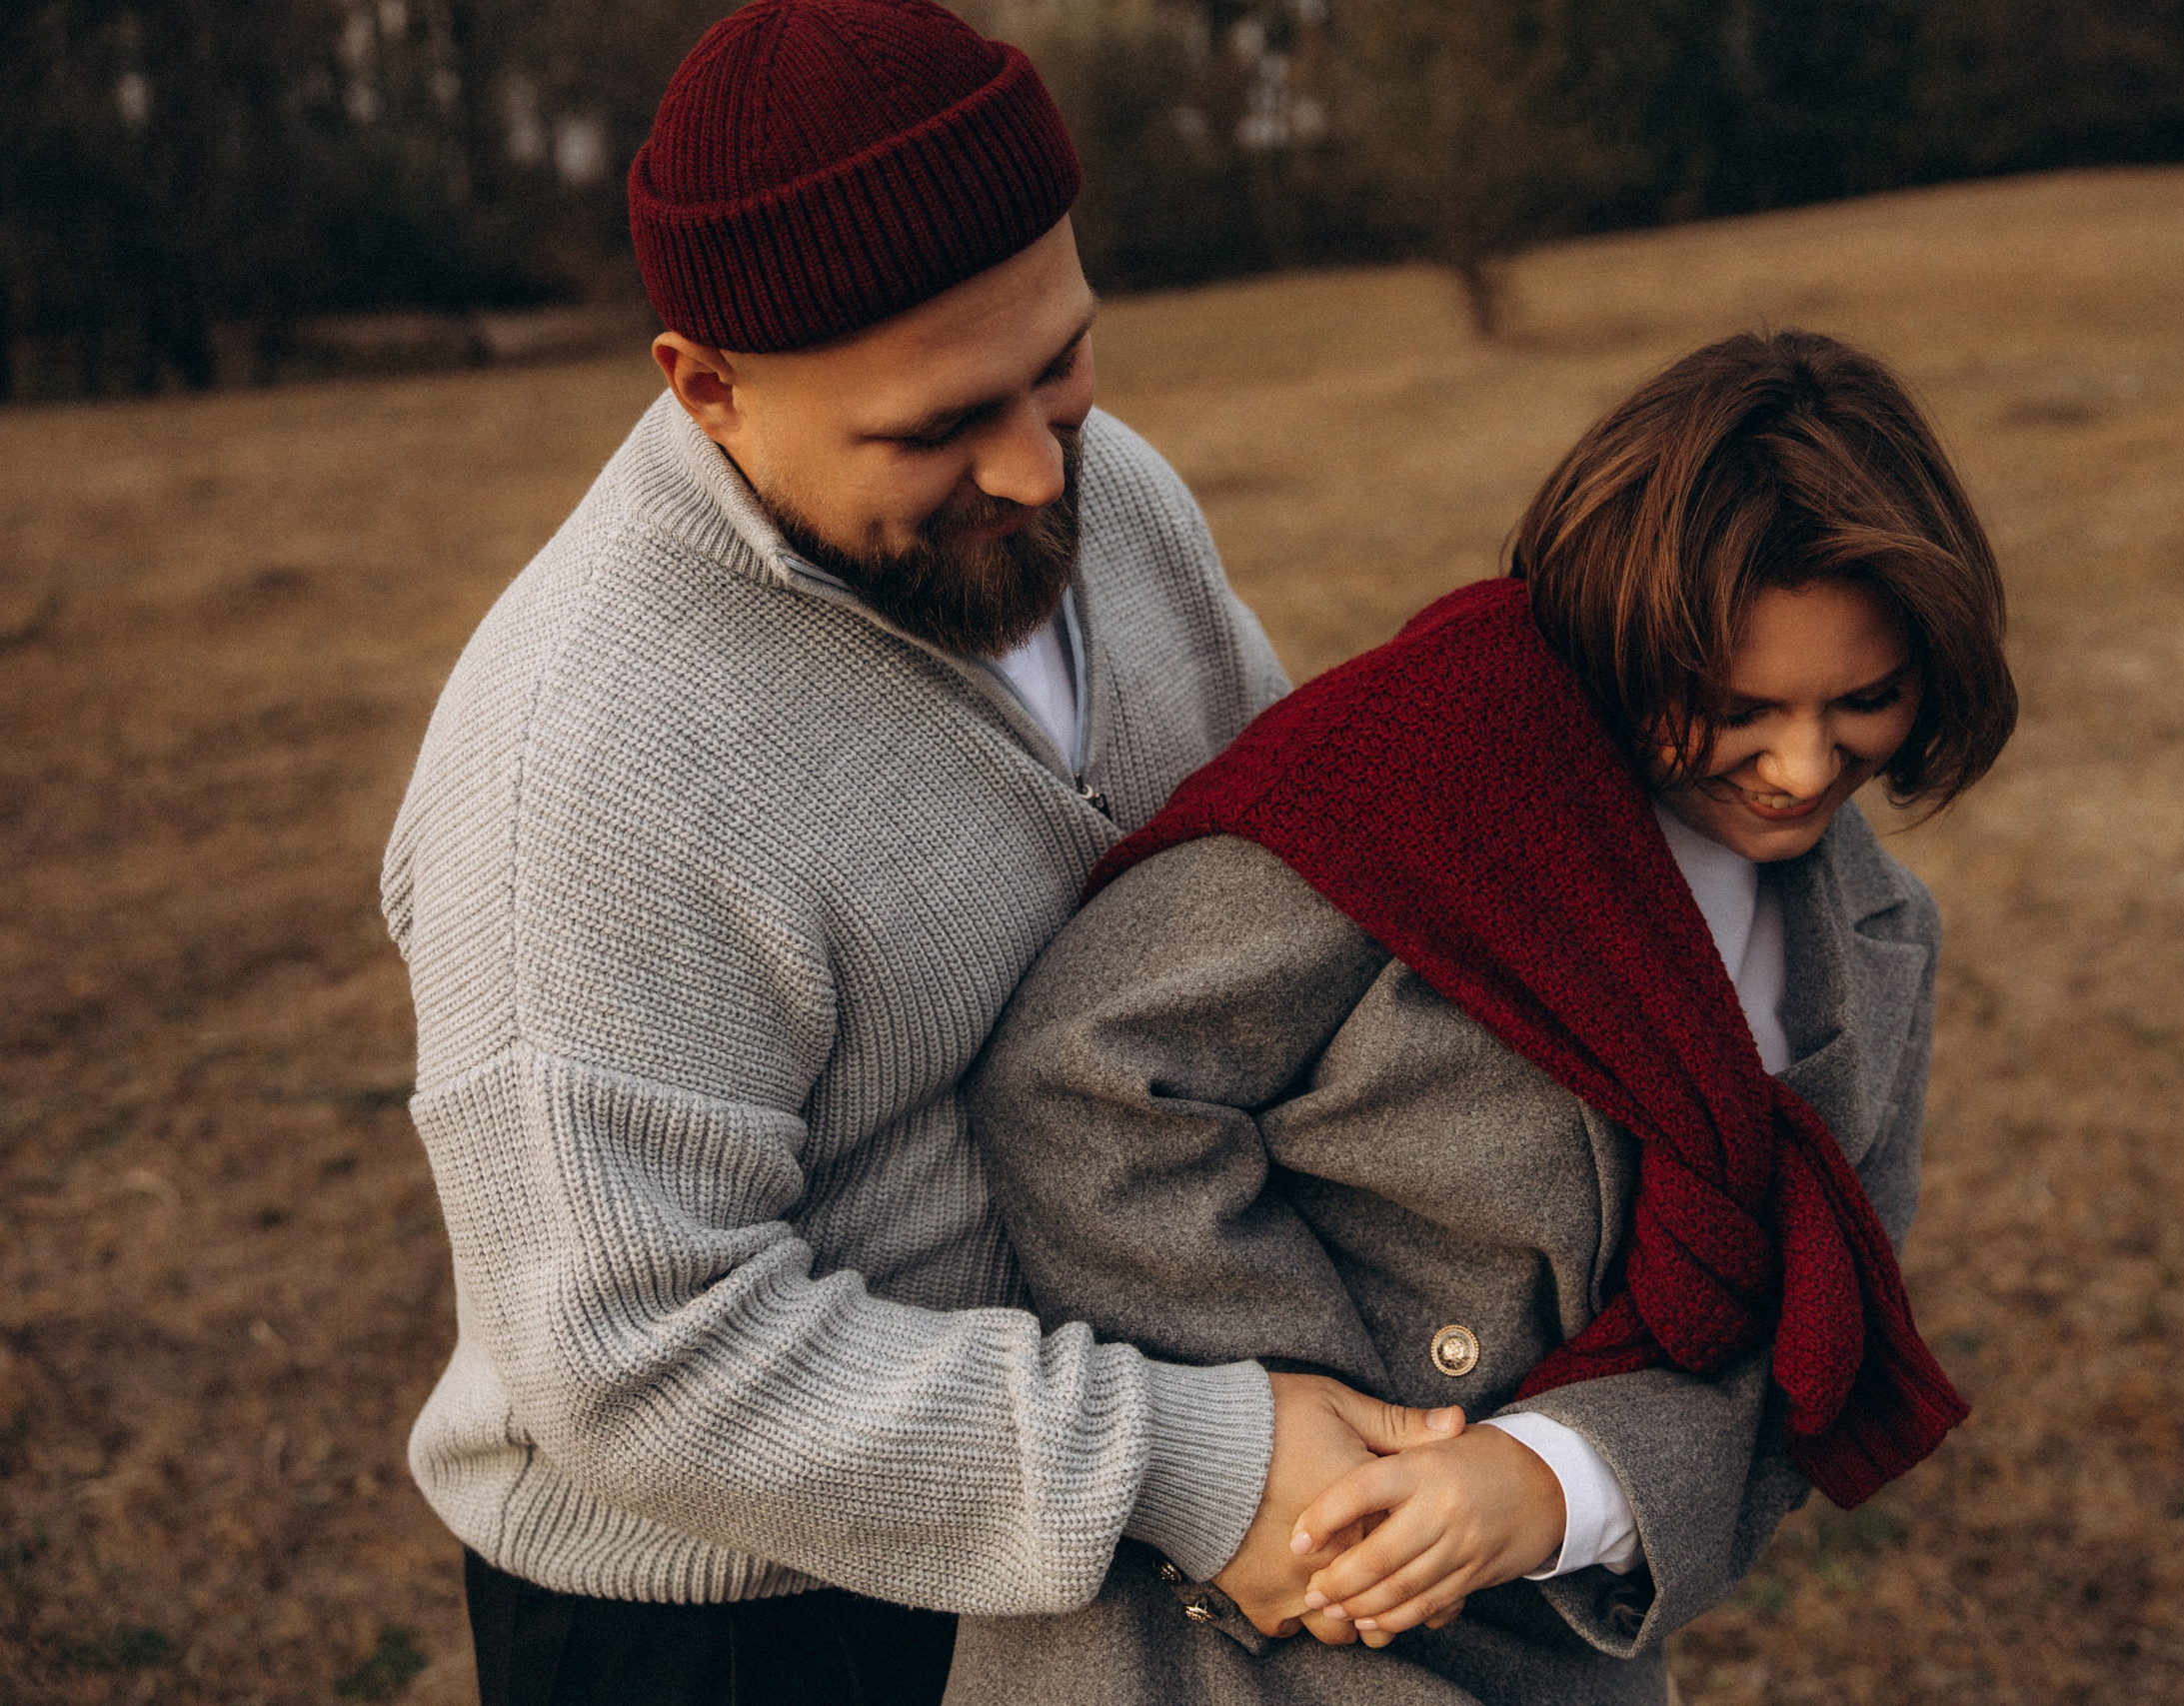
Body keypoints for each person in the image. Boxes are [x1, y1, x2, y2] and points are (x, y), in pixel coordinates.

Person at [380, 4, 1456, 1702]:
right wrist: (1187, 1455)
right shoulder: (586, 773)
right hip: (746, 1629)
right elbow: (632, 1358)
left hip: (1120, 1537)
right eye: (936, 426)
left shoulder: (1114, 499)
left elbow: (1296, 881)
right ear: (706, 387)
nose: (1035, 469)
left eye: (1063, 365)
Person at [947, 330, 2021, 1703]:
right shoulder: (1421, 786)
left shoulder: (1879, 942)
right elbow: (1085, 1079)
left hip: (1545, 1648)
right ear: (1627, 644)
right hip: (1210, 1638)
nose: (1805, 766)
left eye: (1866, 700)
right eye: (1738, 710)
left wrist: (1551, 1481)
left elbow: (1813, 1338)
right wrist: (1312, 1439)